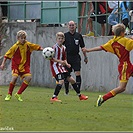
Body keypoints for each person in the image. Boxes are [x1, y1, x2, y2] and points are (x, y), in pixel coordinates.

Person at [82, 23, 133, 107]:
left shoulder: (112, 42)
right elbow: (129, 43)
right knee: (122, 88)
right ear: (122, 33)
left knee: (122, 88)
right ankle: (103, 98)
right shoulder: (125, 41)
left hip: (125, 65)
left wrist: (88, 50)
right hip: (125, 66)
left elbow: (101, 47)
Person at [0, 30, 43, 101]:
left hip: (25, 66)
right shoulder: (15, 46)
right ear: (18, 38)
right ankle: (9, 94)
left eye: (24, 38)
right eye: (22, 38)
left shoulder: (28, 45)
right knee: (14, 78)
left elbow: (37, 47)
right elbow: (7, 55)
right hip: (16, 65)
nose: (23, 39)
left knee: (29, 78)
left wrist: (45, 50)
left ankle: (18, 94)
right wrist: (3, 64)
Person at [50, 32, 88, 102]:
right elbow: (51, 58)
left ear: (64, 39)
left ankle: (80, 96)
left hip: (62, 67)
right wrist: (60, 61)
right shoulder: (54, 48)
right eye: (59, 38)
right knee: (61, 80)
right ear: (56, 39)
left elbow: (64, 58)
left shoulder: (64, 48)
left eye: (62, 38)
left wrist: (67, 64)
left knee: (72, 80)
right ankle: (54, 97)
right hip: (55, 67)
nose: (60, 40)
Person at [64, 20, 88, 95]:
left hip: (76, 57)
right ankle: (66, 91)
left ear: (75, 26)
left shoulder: (78, 36)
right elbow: (61, 46)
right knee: (67, 75)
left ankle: (78, 91)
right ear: (68, 26)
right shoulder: (65, 36)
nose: (71, 27)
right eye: (70, 25)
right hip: (67, 58)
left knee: (77, 73)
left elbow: (83, 47)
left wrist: (85, 57)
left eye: (73, 25)